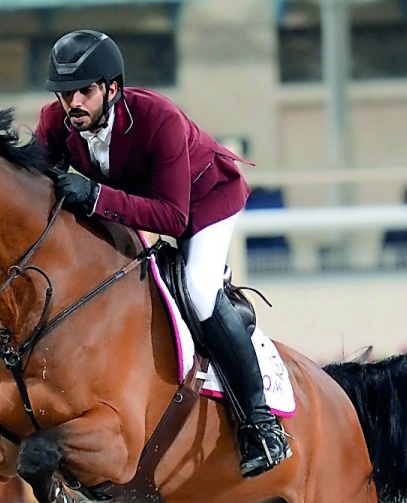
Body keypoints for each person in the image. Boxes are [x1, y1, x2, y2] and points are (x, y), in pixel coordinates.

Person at [33, 29, 290, 479]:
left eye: (84, 92)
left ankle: (261, 425)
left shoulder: (158, 118)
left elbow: (173, 217)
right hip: (137, 203)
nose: (73, 103)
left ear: (112, 87)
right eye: (64, 93)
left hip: (204, 202)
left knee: (199, 291)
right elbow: (33, 182)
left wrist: (95, 196)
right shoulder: (56, 122)